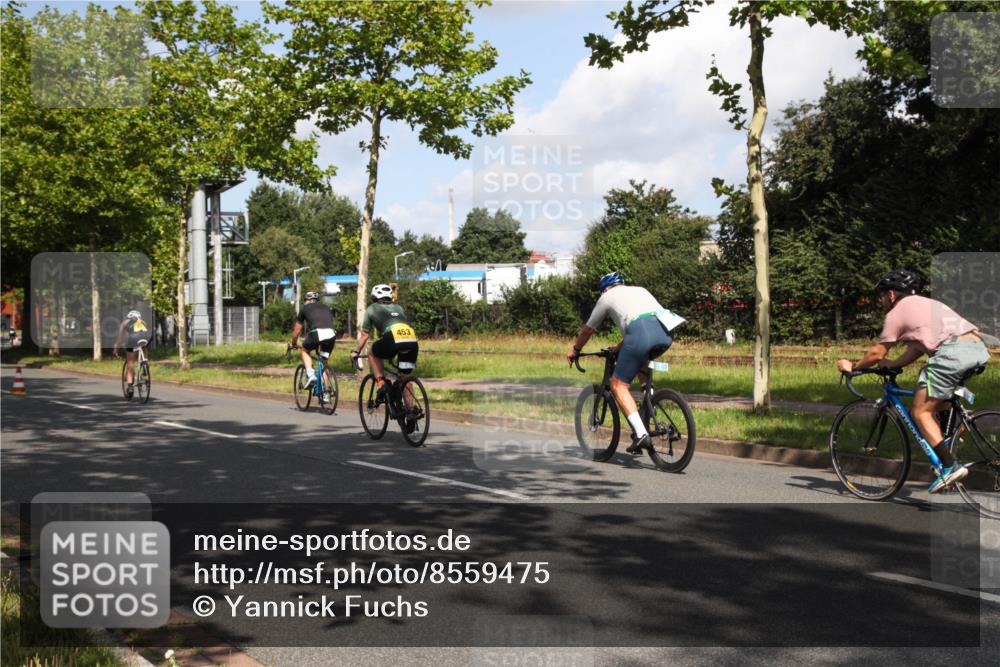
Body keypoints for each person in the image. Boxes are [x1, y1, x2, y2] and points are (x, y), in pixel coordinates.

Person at [836, 269, 990, 493]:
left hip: (953, 354)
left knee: (919, 412)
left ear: (891, 295)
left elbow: (877, 353)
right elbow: (917, 348)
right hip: (976, 348)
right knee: (934, 395)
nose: (881, 301)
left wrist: (853, 366)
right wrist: (893, 364)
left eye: (881, 296)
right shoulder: (927, 304)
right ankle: (949, 438)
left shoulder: (896, 312)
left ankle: (950, 466)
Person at [567, 272, 676, 454]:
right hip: (666, 332)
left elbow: (588, 330)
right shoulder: (640, 290)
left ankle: (641, 434)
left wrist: (576, 349)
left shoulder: (606, 297)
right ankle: (650, 405)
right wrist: (618, 348)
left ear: (605, 288)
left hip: (641, 333)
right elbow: (645, 323)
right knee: (641, 360)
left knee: (618, 385)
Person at [351, 284, 420, 431]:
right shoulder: (399, 307)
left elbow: (365, 335)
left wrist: (356, 352)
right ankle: (410, 412)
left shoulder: (372, 309)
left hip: (392, 338)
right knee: (405, 378)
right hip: (411, 339)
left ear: (374, 297)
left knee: (372, 351)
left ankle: (381, 383)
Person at [290, 291, 336, 388]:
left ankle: (311, 375)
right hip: (331, 334)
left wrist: (293, 343)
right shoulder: (326, 307)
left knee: (304, 350)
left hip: (317, 333)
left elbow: (297, 331)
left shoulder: (304, 308)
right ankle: (326, 392)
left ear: (307, 300)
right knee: (323, 362)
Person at [113, 309, 150, 399]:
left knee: (130, 364)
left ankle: (130, 387)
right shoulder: (143, 322)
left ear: (129, 317)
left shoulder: (125, 322)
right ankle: (145, 363)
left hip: (133, 339)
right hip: (145, 338)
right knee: (144, 346)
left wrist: (116, 349)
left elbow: (120, 338)